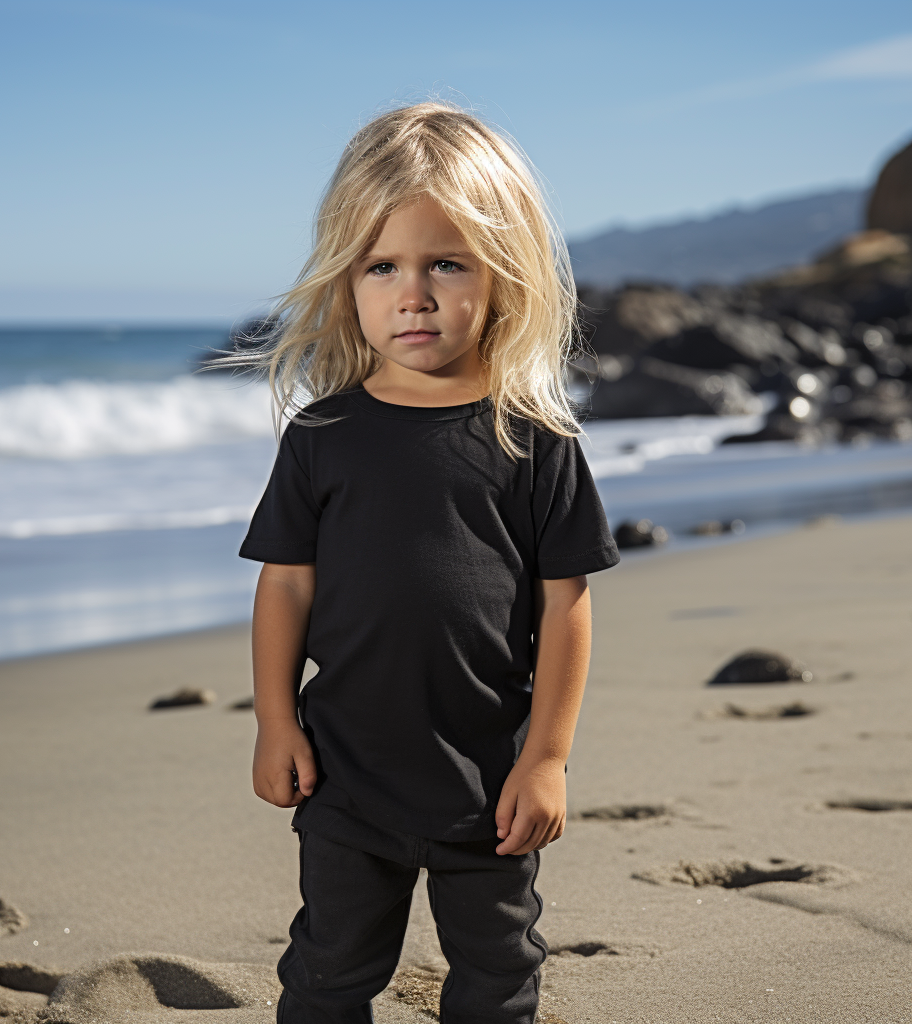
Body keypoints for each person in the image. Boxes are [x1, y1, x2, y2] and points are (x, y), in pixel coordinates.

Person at [234, 102, 620, 1024]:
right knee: (327, 973)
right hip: (345, 773)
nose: (414, 293)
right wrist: (275, 723)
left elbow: (566, 605)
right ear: (346, 280)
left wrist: (548, 758)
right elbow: (285, 584)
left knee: (496, 977)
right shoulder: (323, 435)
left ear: (504, 274)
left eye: (446, 263)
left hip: (486, 780)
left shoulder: (534, 441)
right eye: (383, 266)